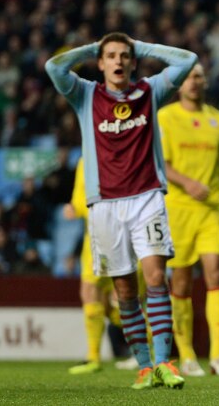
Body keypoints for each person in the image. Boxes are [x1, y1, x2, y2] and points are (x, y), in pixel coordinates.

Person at [45, 32, 198, 389]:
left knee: (157, 277)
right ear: (100, 63)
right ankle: (145, 367)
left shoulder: (149, 91)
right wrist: (92, 48)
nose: (117, 61)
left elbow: (187, 59)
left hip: (147, 198)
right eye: (110, 56)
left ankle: (164, 362)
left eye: (124, 56)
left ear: (132, 62)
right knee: (125, 290)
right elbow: (54, 65)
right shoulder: (85, 95)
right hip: (105, 206)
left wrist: (141, 46)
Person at [156, 63, 219, 377]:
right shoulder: (164, 118)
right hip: (177, 210)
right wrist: (187, 182)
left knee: (216, 274)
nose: (194, 81)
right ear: (179, 85)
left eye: (199, 76)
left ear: (205, 82)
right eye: (189, 77)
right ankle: (188, 355)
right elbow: (160, 164)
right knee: (179, 281)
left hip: (213, 210)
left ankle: (218, 355)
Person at [65, 158, 136, 375]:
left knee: (126, 297)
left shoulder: (124, 154)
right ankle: (93, 357)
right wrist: (75, 208)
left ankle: (148, 347)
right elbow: (79, 196)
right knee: (91, 293)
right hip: (94, 237)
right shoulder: (84, 161)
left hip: (125, 234)